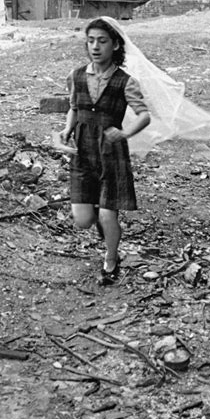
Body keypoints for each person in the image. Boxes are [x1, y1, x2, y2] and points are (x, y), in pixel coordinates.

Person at [60, 17, 151, 285]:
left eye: (102, 41)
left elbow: (144, 116)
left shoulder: (125, 81)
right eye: (91, 41)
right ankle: (102, 221)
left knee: (107, 214)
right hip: (83, 150)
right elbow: (74, 108)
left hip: (111, 152)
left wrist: (125, 133)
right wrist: (67, 130)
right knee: (82, 220)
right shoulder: (76, 75)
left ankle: (111, 259)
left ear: (115, 45)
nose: (95, 47)